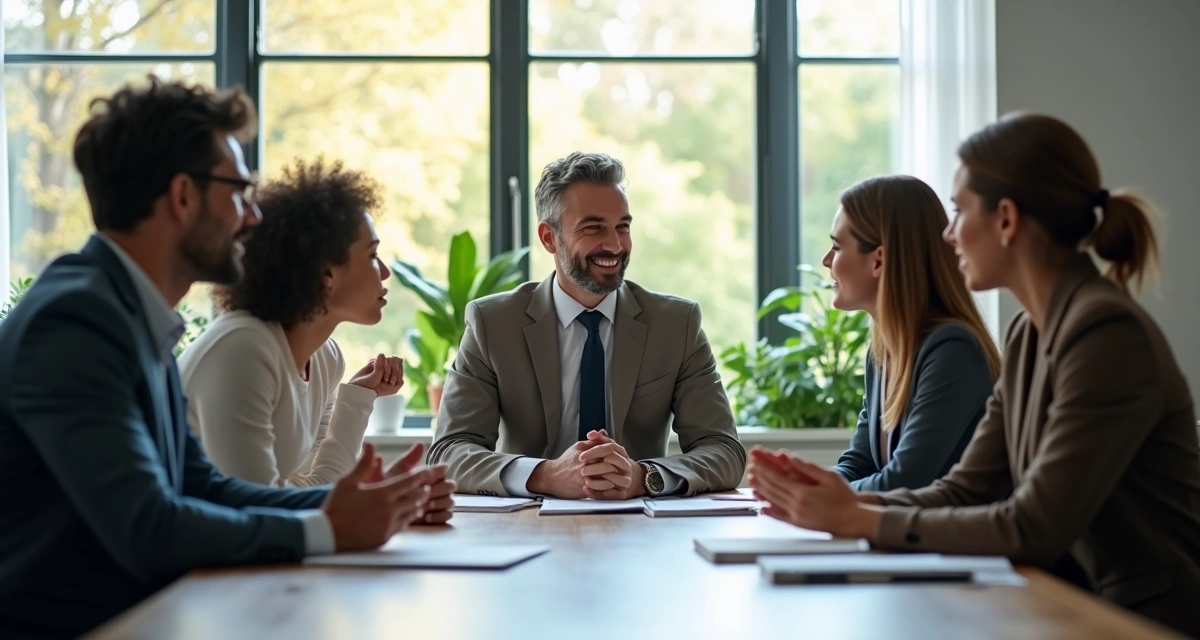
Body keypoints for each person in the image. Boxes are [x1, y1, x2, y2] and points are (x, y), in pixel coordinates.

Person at [0, 77, 442, 638]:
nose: (252, 216)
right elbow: (148, 526)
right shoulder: (75, 322)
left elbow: (203, 486)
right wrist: (328, 529)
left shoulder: (129, 312)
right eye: (237, 190)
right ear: (183, 197)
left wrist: (372, 503)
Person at [748, 113, 1200, 637]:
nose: (948, 235)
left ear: (1007, 220)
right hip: (1063, 603)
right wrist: (839, 500)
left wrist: (857, 515)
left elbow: (1034, 525)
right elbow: (965, 488)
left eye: (959, 211)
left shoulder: (1105, 332)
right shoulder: (1029, 334)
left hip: (1139, 620)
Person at [429, 151, 745, 499]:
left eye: (622, 227)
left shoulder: (676, 324)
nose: (615, 245)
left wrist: (643, 477)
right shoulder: (493, 324)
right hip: (528, 528)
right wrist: (545, 475)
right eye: (594, 228)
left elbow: (724, 451)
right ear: (549, 237)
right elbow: (449, 452)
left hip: (642, 530)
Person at [177, 158, 455, 524]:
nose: (385, 271)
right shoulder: (244, 348)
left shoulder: (325, 357)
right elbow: (259, 513)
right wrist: (375, 500)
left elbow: (310, 487)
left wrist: (357, 398)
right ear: (326, 272)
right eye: (372, 255)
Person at [827, 176, 1000, 491]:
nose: (827, 261)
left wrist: (820, 497)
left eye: (837, 247)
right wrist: (804, 485)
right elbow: (859, 463)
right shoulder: (880, 353)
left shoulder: (953, 351)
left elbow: (904, 481)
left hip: (954, 539)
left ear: (878, 259)